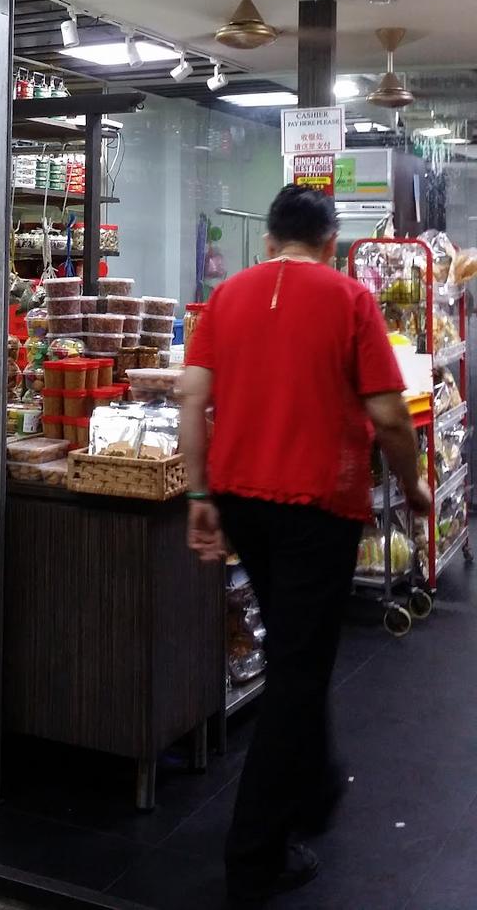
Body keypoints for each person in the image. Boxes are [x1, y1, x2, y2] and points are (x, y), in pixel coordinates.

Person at [179, 185, 431, 909]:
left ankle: (316, 791)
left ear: (268, 241)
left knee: (298, 648)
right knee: (298, 669)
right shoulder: (350, 299)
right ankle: (254, 856)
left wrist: (199, 496)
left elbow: (193, 397)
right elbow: (389, 415)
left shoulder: (226, 297)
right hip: (318, 504)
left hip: (242, 500)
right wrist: (412, 484)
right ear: (329, 242)